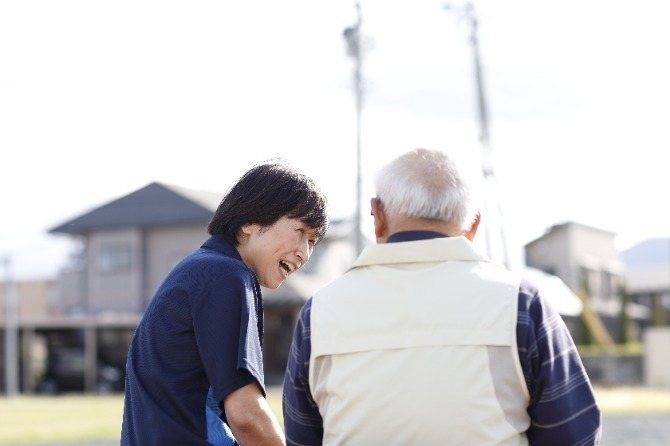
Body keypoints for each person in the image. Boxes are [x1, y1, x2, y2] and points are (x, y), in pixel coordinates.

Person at [283, 149, 601, 445]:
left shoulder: (320, 311)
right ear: (473, 225)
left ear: (377, 215)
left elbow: (301, 436)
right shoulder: (520, 303)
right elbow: (573, 432)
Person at [122, 162, 328, 445]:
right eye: (300, 231)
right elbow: (246, 415)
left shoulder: (199, 271)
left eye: (313, 241)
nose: (304, 252)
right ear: (249, 223)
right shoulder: (227, 276)